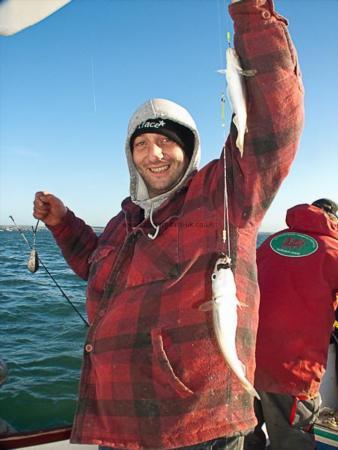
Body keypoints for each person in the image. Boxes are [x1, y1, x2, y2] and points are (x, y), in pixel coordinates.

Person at [33, 1, 304, 448]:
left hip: (196, 428)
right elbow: (98, 268)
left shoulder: (224, 196)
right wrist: (63, 223)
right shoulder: (126, 222)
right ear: (129, 154)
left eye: (166, 142)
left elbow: (275, 122)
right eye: (142, 143)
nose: (154, 153)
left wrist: (252, 13)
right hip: (119, 425)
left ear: (189, 149)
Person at [244, 199, 338, 450]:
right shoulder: (333, 250)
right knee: (293, 441)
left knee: (245, 438)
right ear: (333, 220)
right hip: (294, 371)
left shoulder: (269, 244)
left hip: (246, 361)